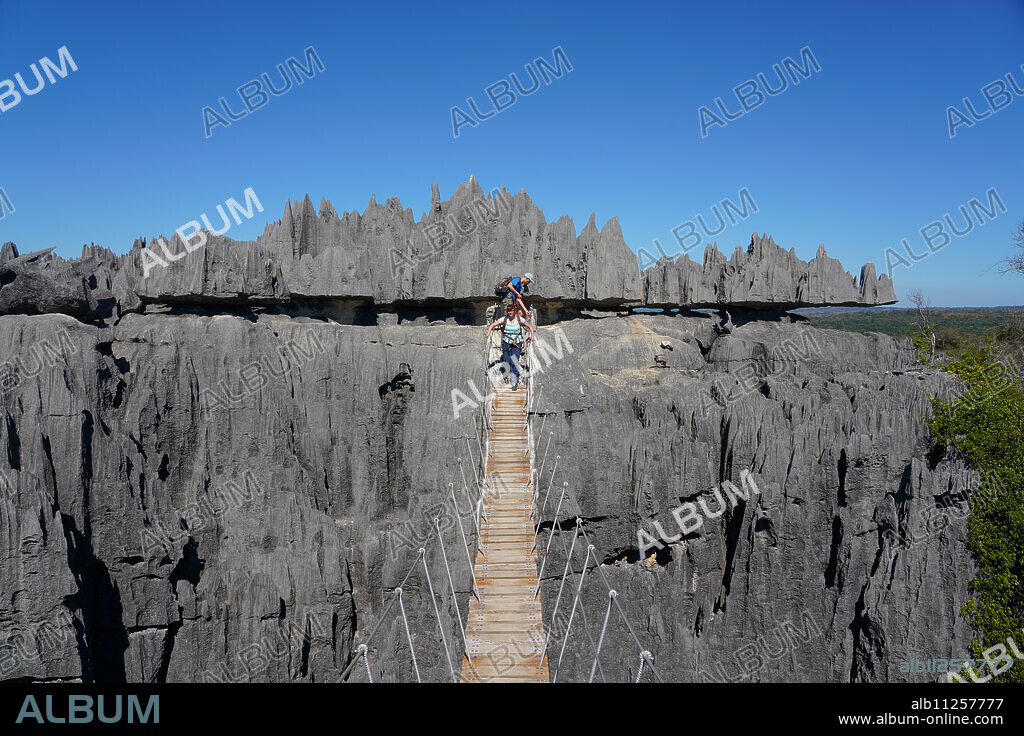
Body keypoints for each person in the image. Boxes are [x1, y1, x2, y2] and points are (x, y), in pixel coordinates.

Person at [486, 304, 535, 390]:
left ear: (514, 311)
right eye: (508, 311)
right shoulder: (504, 319)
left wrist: (533, 336)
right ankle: (507, 375)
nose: (510, 312)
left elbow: (530, 326)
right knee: (507, 361)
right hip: (506, 343)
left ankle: (514, 382)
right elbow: (493, 325)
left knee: (514, 362)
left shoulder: (519, 319)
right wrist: (488, 332)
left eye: (511, 311)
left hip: (516, 343)